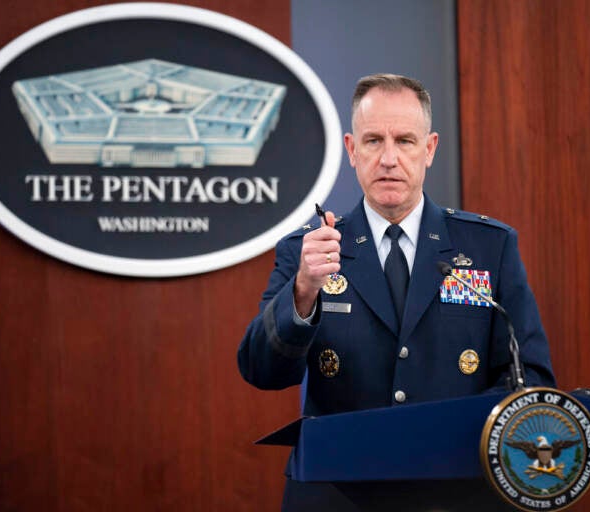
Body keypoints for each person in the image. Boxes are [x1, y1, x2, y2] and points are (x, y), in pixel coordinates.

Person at [238, 74, 555, 511]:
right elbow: (261, 371)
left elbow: (530, 376)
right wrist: (304, 290)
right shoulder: (309, 251)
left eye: (405, 140)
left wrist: (445, 435)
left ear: (429, 150)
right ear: (351, 150)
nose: (389, 158)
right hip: (340, 492)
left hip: (457, 490)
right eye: (373, 141)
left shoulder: (488, 247)